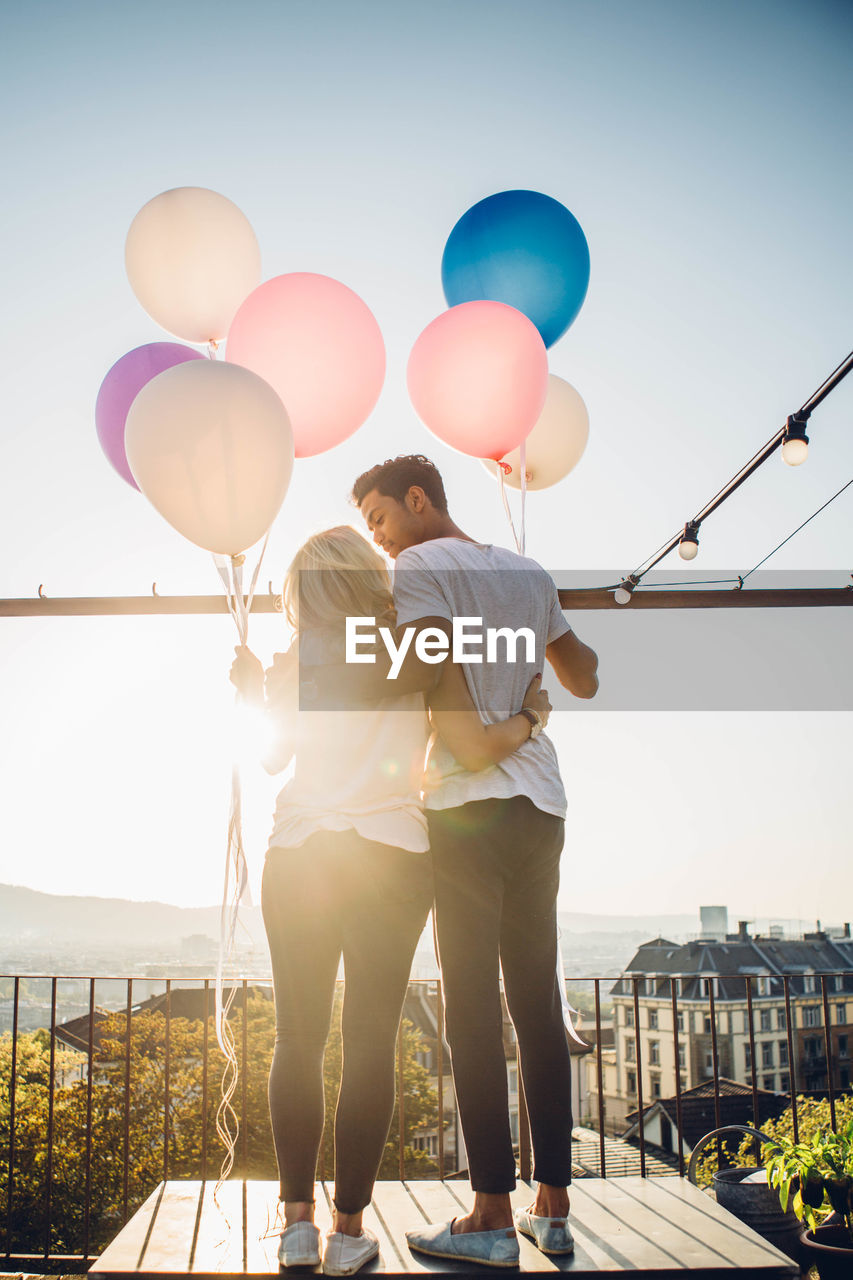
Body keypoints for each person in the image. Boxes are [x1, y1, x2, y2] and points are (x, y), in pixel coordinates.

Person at [230, 525, 554, 1276]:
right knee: (370, 1041)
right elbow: (458, 735)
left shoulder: (293, 658)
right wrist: (530, 713)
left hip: (303, 850)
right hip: (393, 857)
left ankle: (297, 1226)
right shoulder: (415, 648)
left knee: (296, 1039)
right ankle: (349, 1229)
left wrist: (252, 689)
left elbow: (274, 754)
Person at [351, 456, 599, 1269]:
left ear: (416, 501)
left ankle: (490, 1210)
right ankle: (552, 1208)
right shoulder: (527, 573)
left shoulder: (419, 570)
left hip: (465, 810)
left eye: (380, 519)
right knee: (534, 996)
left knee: (468, 1003)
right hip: (541, 807)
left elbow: (436, 702)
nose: (380, 541)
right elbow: (585, 675)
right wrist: (534, 696)